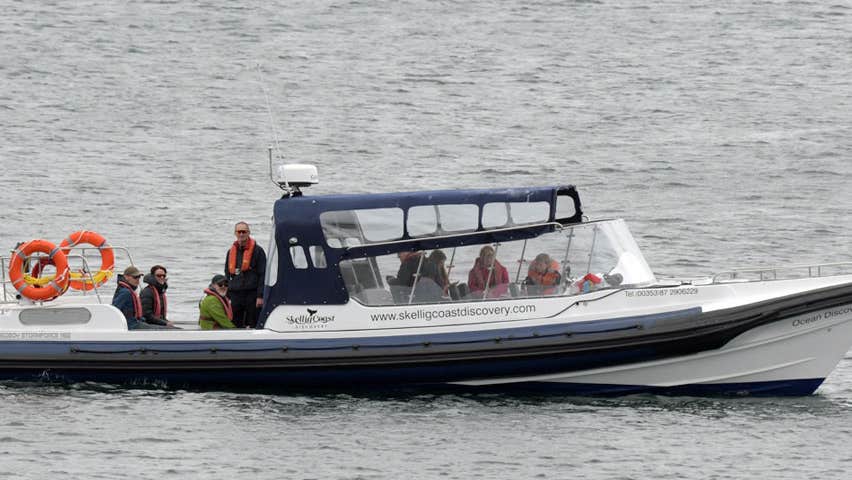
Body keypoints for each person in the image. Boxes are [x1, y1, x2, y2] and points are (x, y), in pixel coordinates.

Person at [224, 221, 266, 329]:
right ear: (235, 233)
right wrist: (227, 295)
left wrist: (260, 296)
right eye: (239, 232)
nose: (241, 234)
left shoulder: (258, 251)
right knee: (234, 323)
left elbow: (263, 274)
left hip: (252, 294)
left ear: (248, 233)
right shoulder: (230, 252)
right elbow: (227, 274)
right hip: (235, 294)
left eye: (244, 231)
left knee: (253, 322)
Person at [112, 265, 159, 330]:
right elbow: (115, 309)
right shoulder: (125, 292)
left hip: (136, 322)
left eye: (139, 277)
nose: (138, 280)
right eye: (135, 277)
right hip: (130, 325)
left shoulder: (129, 290)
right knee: (164, 329)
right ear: (126, 277)